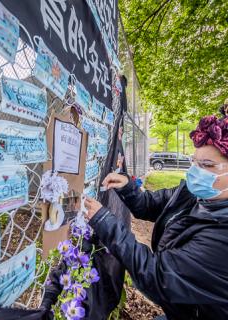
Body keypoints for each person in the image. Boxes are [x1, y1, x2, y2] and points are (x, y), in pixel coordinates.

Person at [84, 111, 228, 320]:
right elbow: (151, 205)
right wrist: (128, 189)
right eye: (194, 162)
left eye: (207, 166)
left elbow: (158, 275)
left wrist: (105, 222)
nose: (195, 172)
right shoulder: (196, 194)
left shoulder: (222, 237)